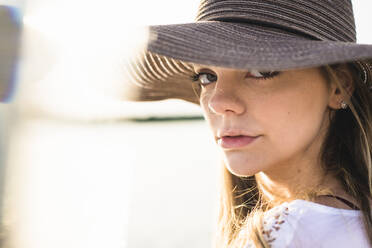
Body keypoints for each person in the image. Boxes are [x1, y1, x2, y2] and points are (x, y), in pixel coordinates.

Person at [124, 0, 372, 247]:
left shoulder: (283, 234)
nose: (218, 102)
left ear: (339, 86)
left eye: (261, 71)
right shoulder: (354, 222)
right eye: (207, 76)